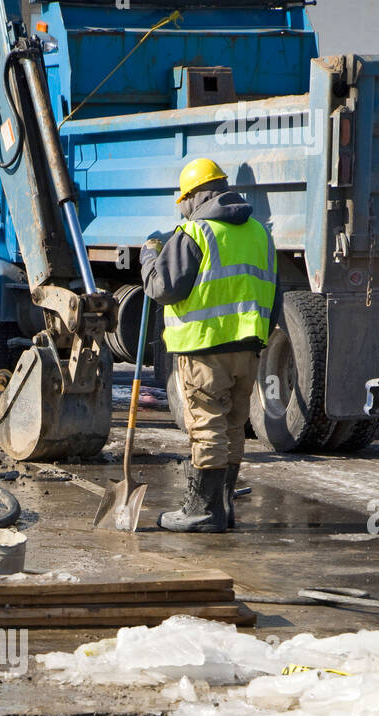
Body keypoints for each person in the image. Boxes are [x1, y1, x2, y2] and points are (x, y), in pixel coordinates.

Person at [140, 157, 281, 533]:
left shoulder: (194, 233)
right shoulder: (259, 233)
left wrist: (149, 257)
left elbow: (162, 288)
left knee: (206, 426)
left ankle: (202, 510)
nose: (182, 208)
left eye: (183, 199)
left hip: (204, 348)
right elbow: (274, 295)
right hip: (247, 346)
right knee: (234, 424)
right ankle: (223, 507)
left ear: (196, 195)